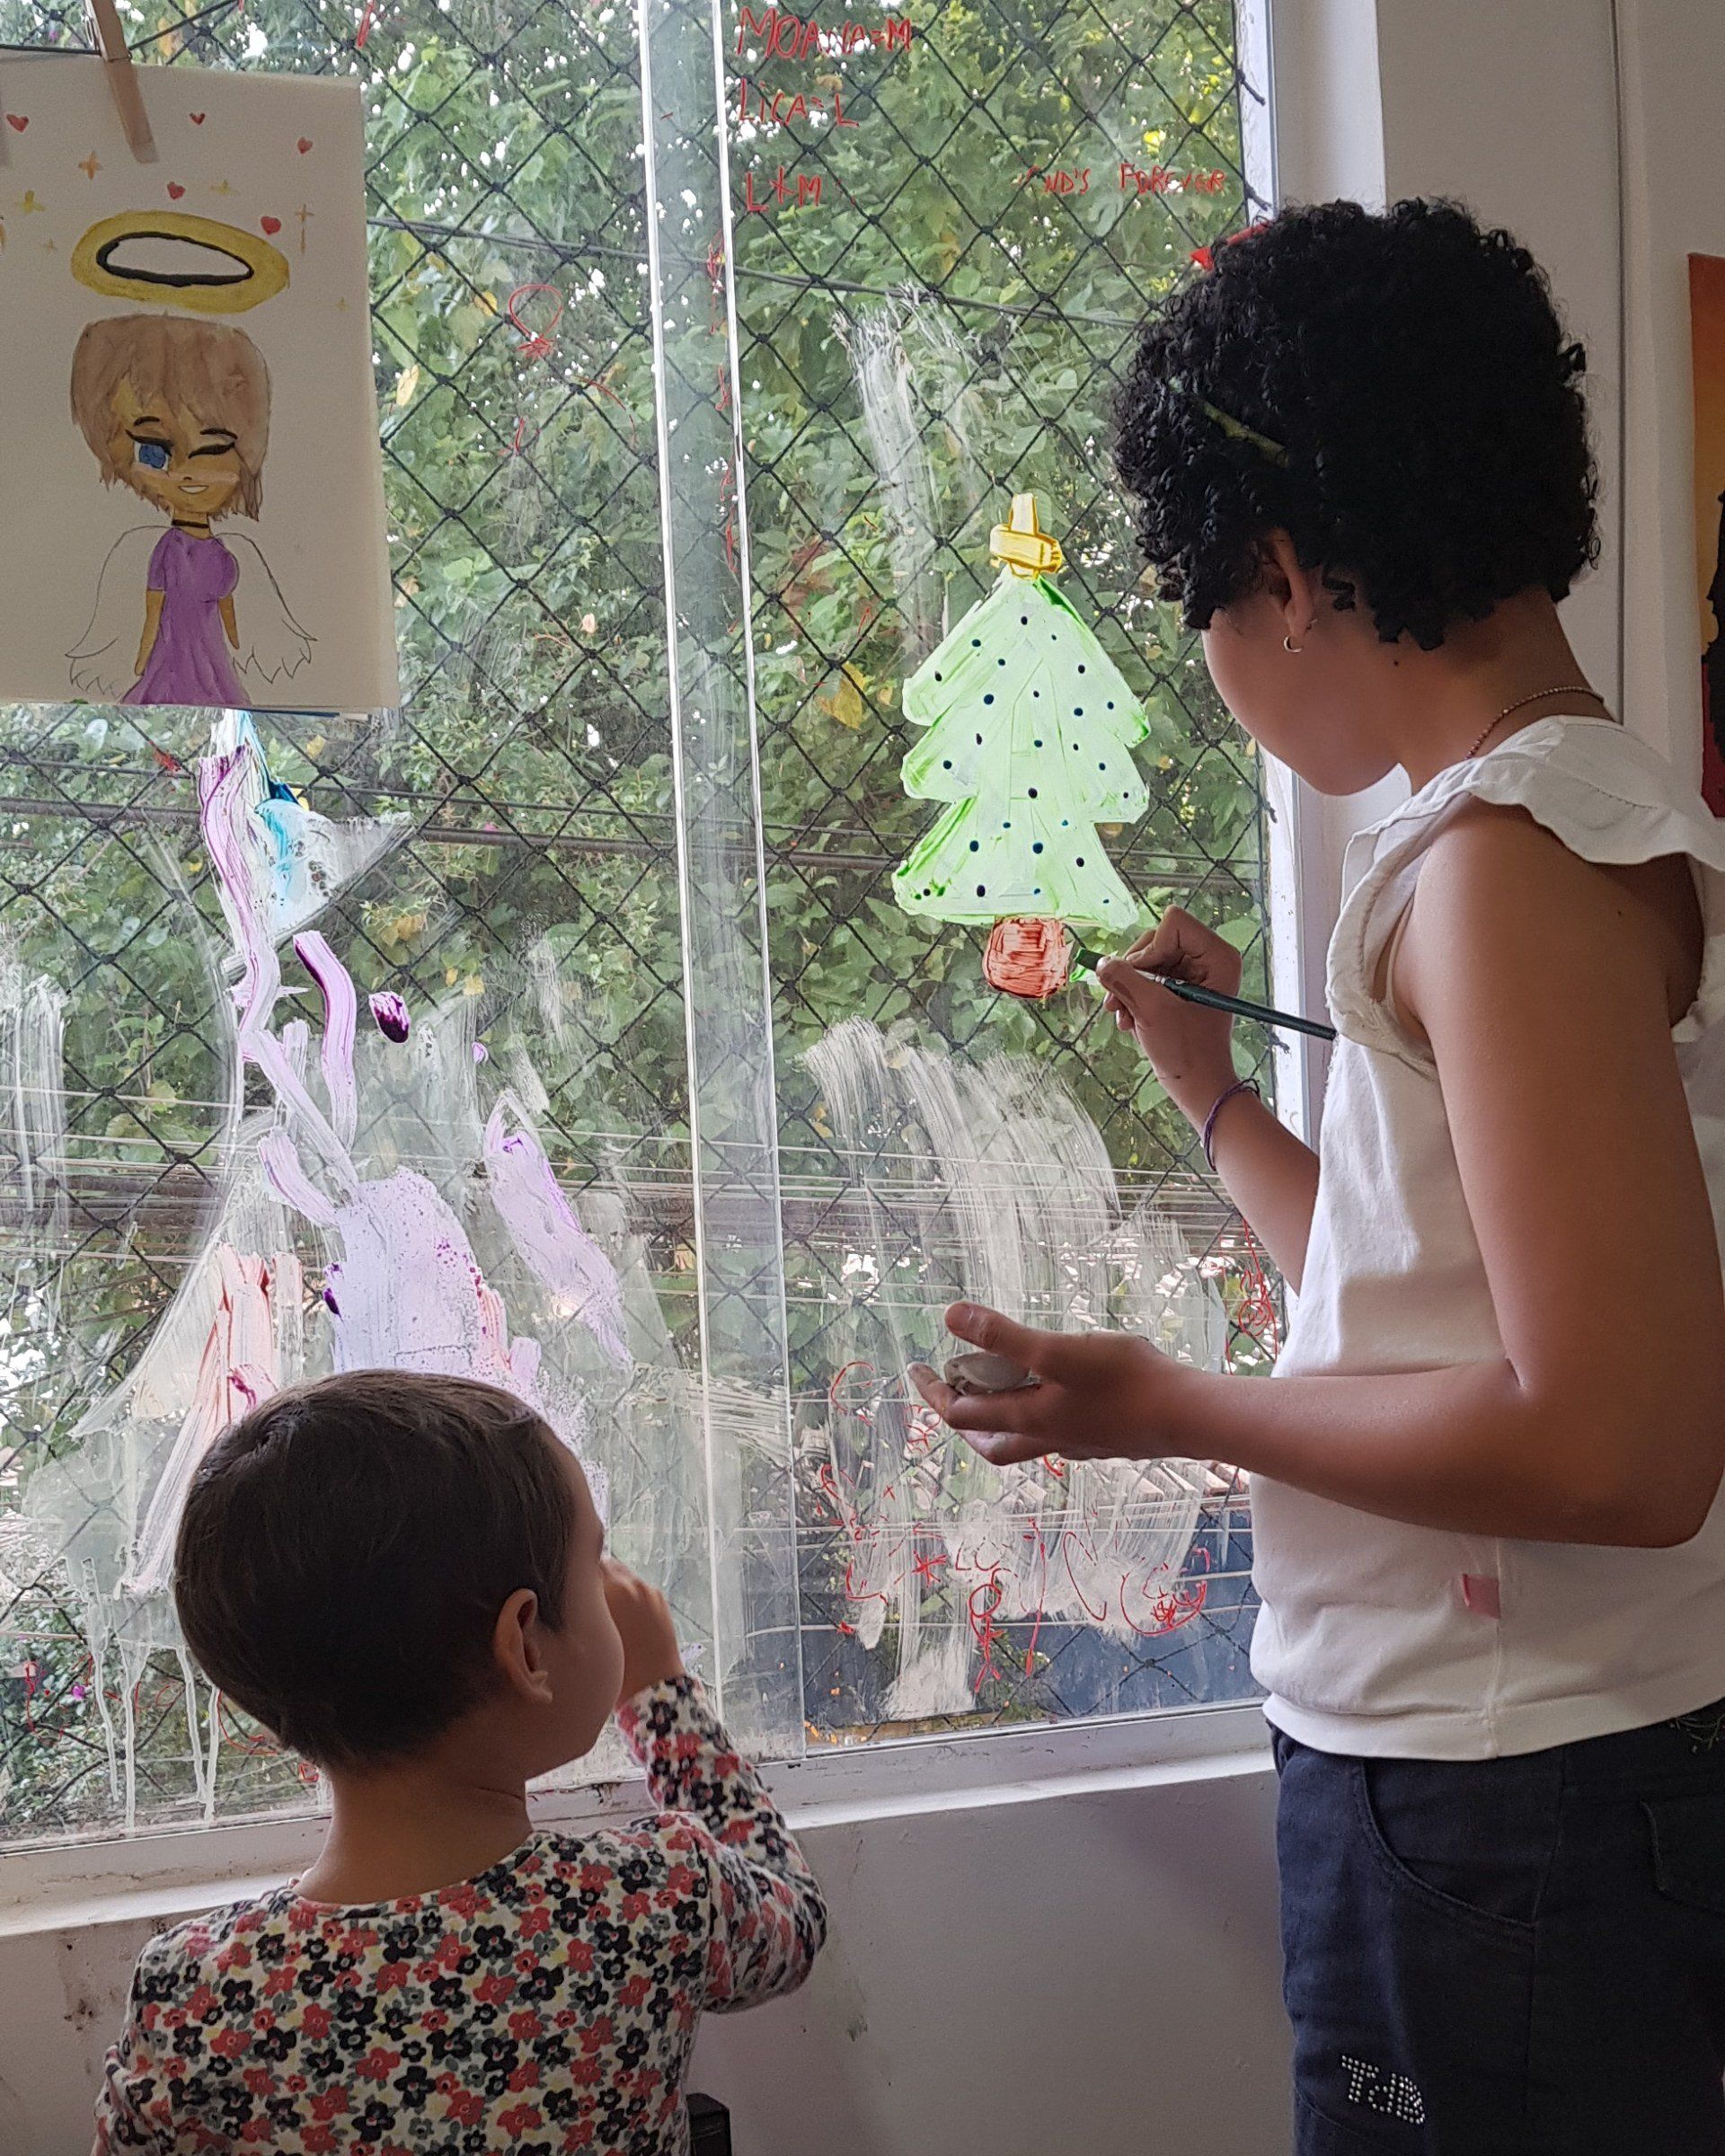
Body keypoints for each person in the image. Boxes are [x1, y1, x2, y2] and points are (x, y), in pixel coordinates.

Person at [913, 199, 1725, 2153]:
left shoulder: (1501, 872)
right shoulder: (1595, 821)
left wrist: (1171, 1407)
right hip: (1524, 1771)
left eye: (1198, 609)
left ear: (1280, 574)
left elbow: (1620, 1450)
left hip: (1501, 1791)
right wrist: (1221, 1109)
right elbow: (1431, 1299)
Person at [93, 1370, 825, 2153]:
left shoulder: (194, 1997)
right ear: (525, 1646)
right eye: (595, 1563)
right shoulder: (653, 1899)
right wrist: (661, 1694)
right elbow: (793, 1913)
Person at [67, 313, 311, 705]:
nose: (185, 471)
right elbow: (154, 606)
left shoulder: (225, 554)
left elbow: (226, 607)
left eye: (213, 449)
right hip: (172, 652)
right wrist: (143, 655)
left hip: (210, 653)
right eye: (154, 451)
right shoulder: (168, 549)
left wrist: (236, 641)